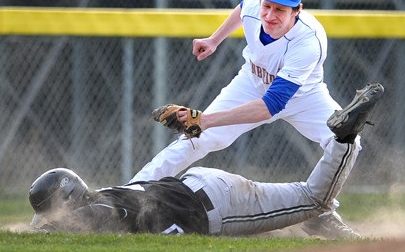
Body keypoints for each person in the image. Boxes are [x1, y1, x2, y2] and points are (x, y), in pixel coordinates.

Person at [129, 0, 363, 239]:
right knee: (195, 139)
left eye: (280, 10)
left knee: (346, 141)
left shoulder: (309, 40)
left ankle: (320, 214)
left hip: (304, 98)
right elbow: (244, 8)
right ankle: (131, 194)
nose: (270, 15)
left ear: (297, 10)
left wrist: (204, 119)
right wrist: (214, 40)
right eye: (267, 6)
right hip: (251, 83)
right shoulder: (255, 3)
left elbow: (271, 105)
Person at [29, 82, 384, 237]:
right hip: (202, 190)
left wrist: (42, 230)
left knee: (312, 197)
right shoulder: (110, 195)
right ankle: (315, 222)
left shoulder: (103, 207)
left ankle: (342, 138)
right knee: (268, 219)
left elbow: (90, 217)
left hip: (216, 206)